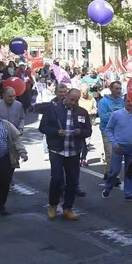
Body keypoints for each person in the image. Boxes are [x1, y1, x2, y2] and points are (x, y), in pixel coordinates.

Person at [39, 87, 91, 221]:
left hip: (74, 151)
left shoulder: (82, 112)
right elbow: (43, 127)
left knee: (72, 180)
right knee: (56, 178)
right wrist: (56, 132)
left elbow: (88, 131)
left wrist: (81, 132)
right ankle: (53, 205)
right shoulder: (53, 109)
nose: (73, 102)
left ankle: (68, 208)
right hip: (57, 150)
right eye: (71, 99)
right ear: (66, 96)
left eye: (76, 100)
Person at [102, 97, 132, 201]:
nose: (130, 103)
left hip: (131, 147)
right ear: (124, 102)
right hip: (118, 147)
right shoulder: (116, 114)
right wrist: (114, 143)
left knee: (130, 171)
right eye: (128, 101)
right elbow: (108, 130)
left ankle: (128, 194)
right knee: (114, 171)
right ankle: (107, 187)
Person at [98, 81, 125, 165]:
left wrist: (111, 115)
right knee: (110, 154)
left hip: (120, 132)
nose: (119, 91)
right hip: (107, 131)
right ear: (110, 89)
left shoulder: (123, 101)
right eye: (116, 88)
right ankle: (112, 176)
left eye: (120, 89)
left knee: (118, 155)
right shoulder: (103, 101)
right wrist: (118, 117)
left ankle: (109, 172)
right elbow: (104, 117)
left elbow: (126, 116)